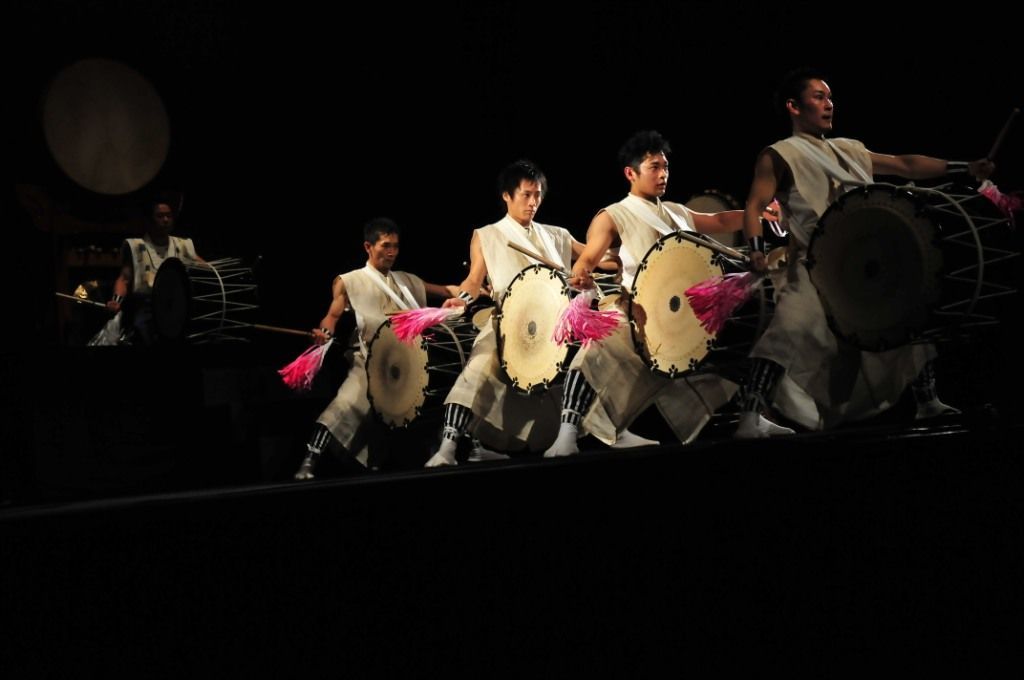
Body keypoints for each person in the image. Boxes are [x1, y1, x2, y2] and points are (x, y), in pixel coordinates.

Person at [733, 67, 995, 438]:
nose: (828, 104)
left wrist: (963, 167)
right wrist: (757, 250)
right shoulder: (780, 154)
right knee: (790, 328)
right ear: (793, 106)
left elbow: (905, 164)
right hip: (813, 263)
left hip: (859, 260)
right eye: (818, 97)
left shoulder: (849, 149)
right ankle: (750, 416)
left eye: (830, 97)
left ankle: (927, 401)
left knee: (899, 315)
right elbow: (755, 203)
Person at [543, 130, 781, 457]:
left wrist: (758, 214)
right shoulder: (613, 215)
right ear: (631, 173)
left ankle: (751, 417)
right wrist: (582, 270)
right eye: (654, 167)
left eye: (666, 166)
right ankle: (566, 436)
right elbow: (589, 256)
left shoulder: (676, 212)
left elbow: (719, 219)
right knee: (592, 353)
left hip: (686, 308)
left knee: (768, 313)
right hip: (640, 310)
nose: (663, 174)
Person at [423, 159, 652, 467]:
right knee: (479, 363)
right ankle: (448, 448)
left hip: (559, 317)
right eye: (526, 195)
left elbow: (597, 259)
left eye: (538, 195)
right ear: (507, 195)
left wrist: (624, 252)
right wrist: (461, 299)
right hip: (510, 320)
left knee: (613, 341)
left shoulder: (556, 234)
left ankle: (614, 428)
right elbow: (474, 282)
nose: (533, 203)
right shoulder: (487, 235)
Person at [293, 217, 459, 480]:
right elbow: (332, 317)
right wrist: (325, 332)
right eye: (385, 246)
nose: (391, 252)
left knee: (437, 400)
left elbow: (446, 290)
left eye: (395, 246)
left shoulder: (406, 280)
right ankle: (308, 461)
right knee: (345, 405)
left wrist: (467, 294)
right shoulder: (350, 281)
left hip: (408, 361)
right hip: (369, 362)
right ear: (368, 247)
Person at [90, 192, 202, 346]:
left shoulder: (182, 245)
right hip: (148, 310)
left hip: (179, 310)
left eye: (168, 216)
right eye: (160, 216)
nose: (165, 220)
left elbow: (204, 266)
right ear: (150, 220)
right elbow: (124, 278)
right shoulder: (137, 247)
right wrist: (116, 301)